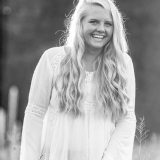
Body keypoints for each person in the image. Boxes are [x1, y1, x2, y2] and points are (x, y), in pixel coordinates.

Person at [20, 0, 136, 160]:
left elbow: (126, 118)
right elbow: (35, 114)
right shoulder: (52, 59)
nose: (101, 29)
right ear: (79, 23)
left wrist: (109, 157)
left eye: (108, 24)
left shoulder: (123, 64)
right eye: (94, 21)